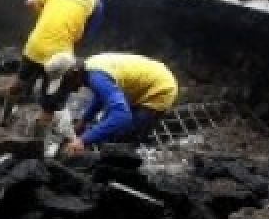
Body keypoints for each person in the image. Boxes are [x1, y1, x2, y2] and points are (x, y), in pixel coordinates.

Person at [1, 0, 111, 137]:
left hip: (34, 46)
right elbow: (83, 37)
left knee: (19, 84)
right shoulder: (96, 4)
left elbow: (29, 2)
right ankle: (35, 142)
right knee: (50, 104)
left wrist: (44, 16)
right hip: (60, 56)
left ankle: (5, 118)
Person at [44, 52, 178, 151]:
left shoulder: (97, 77)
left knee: (125, 138)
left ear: (73, 74)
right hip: (144, 83)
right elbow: (102, 95)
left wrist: (82, 140)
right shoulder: (88, 68)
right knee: (107, 129)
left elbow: (122, 116)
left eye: (64, 84)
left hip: (160, 88)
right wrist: (84, 120)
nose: (68, 89)